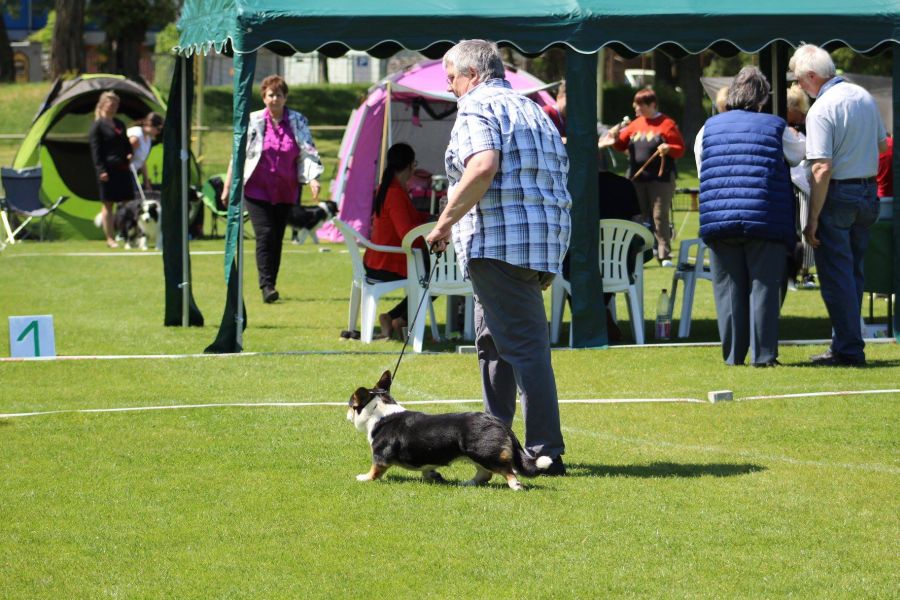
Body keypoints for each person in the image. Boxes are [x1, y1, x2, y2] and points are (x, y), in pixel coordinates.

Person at [425, 39, 571, 475]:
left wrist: (444, 223)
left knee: (524, 349)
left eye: (451, 77)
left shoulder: (476, 107)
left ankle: (546, 453)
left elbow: (483, 166)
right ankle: (494, 443)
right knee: (493, 345)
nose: (448, 86)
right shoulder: (534, 109)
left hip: (499, 243)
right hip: (539, 242)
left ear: (471, 75)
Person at [694, 66, 805, 367]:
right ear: (762, 98)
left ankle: (734, 355)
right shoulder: (775, 125)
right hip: (764, 214)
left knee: (728, 289)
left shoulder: (708, 127)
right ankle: (764, 355)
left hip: (720, 215)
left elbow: (702, 167)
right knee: (764, 285)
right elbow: (798, 155)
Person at [790, 44, 888, 366]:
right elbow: (881, 144)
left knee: (836, 275)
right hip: (867, 192)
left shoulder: (821, 108)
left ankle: (848, 348)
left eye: (799, 79)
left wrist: (812, 219)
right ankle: (847, 342)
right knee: (853, 274)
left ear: (811, 76)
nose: (798, 86)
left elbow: (821, 168)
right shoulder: (864, 97)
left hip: (839, 193)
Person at [221, 75, 324, 303]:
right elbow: (237, 155)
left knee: (277, 237)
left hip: (286, 190)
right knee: (265, 233)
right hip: (256, 189)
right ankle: (266, 285)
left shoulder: (297, 121)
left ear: (285, 97)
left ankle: (271, 284)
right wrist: (228, 187)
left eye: (279, 95)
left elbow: (308, 151)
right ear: (264, 97)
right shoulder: (253, 120)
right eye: (271, 95)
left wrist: (313, 179)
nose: (275, 99)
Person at [603, 88, 685, 266]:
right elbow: (620, 145)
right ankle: (636, 252)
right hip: (637, 179)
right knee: (636, 216)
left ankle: (664, 254)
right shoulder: (635, 124)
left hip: (660, 180)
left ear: (652, 105)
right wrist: (615, 137)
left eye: (639, 104)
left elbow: (680, 149)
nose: (635, 107)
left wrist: (669, 148)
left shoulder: (667, 124)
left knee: (659, 216)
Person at [362, 143, 431, 339]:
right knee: (438, 275)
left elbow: (409, 219)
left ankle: (393, 317)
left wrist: (430, 218)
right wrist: (431, 238)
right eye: (414, 164)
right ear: (409, 165)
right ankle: (399, 319)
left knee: (434, 273)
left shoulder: (390, 187)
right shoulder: (395, 193)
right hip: (387, 263)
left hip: (380, 259)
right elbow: (407, 234)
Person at [89, 91, 134, 248]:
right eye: (111, 104)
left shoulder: (120, 124)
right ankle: (110, 238)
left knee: (128, 203)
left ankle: (127, 234)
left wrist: (129, 153)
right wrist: (101, 170)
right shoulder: (97, 126)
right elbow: (96, 151)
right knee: (108, 205)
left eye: (116, 104)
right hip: (107, 171)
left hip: (123, 168)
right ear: (102, 105)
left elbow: (126, 143)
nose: (114, 107)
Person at [128, 112, 164, 192]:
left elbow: (142, 161)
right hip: (125, 173)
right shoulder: (136, 135)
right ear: (150, 124)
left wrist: (146, 182)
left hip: (132, 174)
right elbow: (126, 156)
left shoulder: (148, 139)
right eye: (158, 129)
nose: (159, 132)